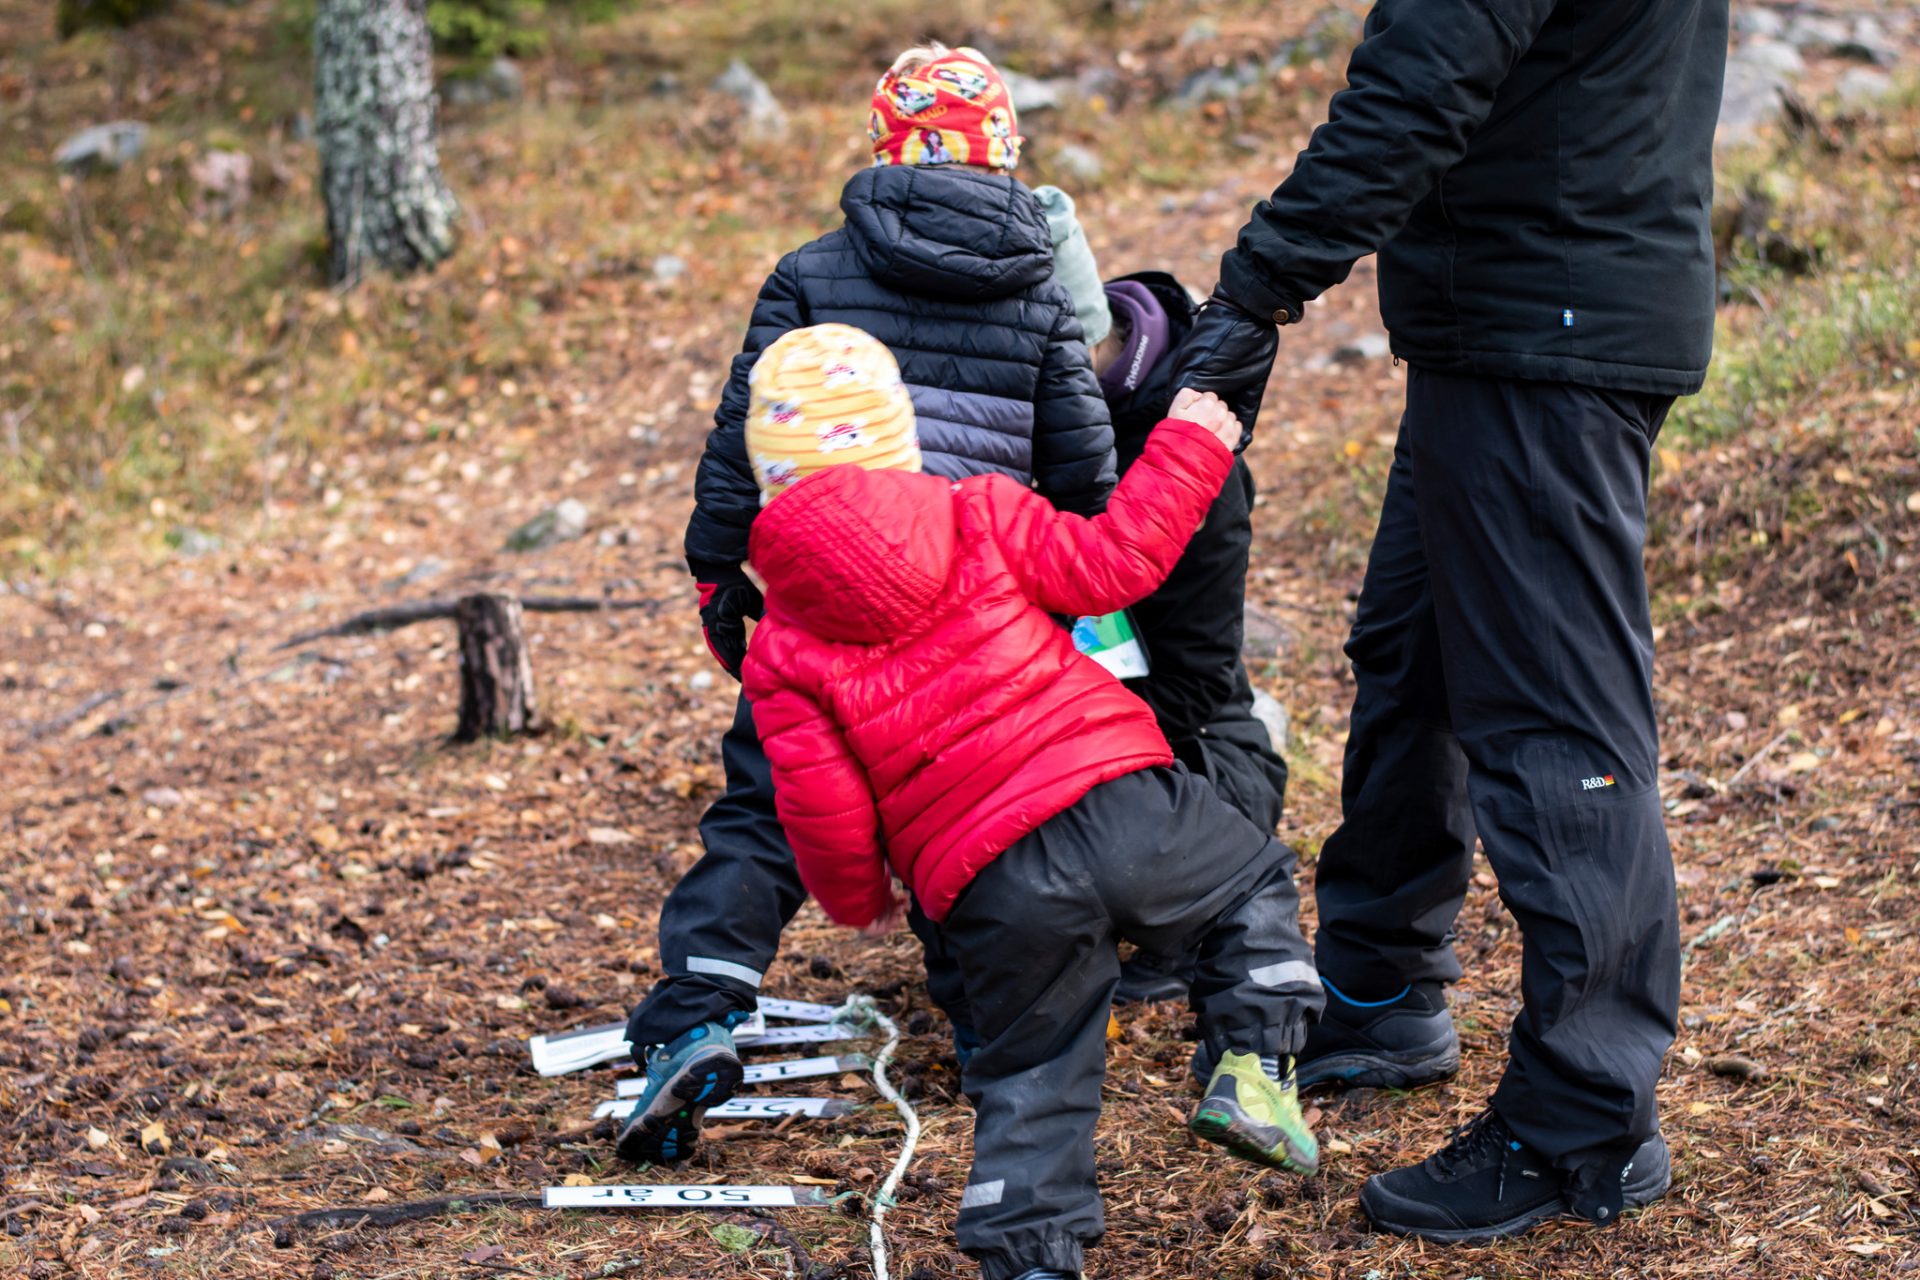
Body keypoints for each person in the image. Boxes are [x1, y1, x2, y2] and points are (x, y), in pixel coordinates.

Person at [1171, 0, 1730, 1243]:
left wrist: (1258, 290)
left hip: (1551, 329)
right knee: (1414, 655)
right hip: (1521, 314)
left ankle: (1585, 1115)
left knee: (1553, 721)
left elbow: (1420, 84)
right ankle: (1378, 987)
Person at [619, 41, 1116, 1165]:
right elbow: (1085, 478)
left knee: (765, 808)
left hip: (819, 604)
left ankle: (697, 1011)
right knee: (969, 820)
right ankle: (997, 1037)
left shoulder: (811, 270)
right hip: (974, 614)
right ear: (1004, 153)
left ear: (885, 149)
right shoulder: (1039, 293)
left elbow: (739, 443)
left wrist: (718, 576)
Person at [743, 325, 1322, 1280]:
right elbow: (1114, 566)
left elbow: (820, 803)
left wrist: (860, 898)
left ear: (771, 485)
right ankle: (1255, 1065)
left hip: (988, 879)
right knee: (1250, 886)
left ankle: (1030, 1250)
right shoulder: (975, 511)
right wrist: (1188, 444)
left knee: (1032, 1068)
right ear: (900, 443)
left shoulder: (782, 643)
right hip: (1118, 798)